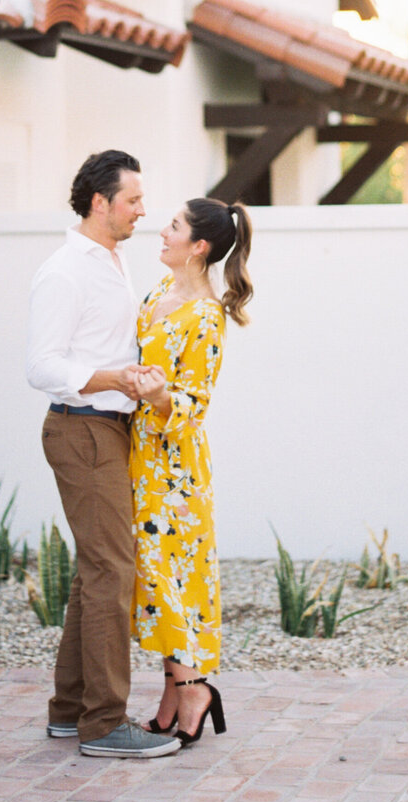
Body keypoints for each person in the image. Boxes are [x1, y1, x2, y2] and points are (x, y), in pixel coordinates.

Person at [25, 150, 182, 760]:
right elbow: (42, 366)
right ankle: (105, 724)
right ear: (100, 201)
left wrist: (129, 377)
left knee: (96, 574)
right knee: (114, 573)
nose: (143, 211)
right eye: (134, 200)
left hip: (107, 430)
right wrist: (113, 378)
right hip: (82, 430)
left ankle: (70, 713)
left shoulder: (110, 261)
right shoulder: (65, 270)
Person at [129, 196, 253, 747]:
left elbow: (193, 406)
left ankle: (196, 690)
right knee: (158, 585)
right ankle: (172, 696)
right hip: (140, 457)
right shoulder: (159, 292)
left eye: (174, 225)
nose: (163, 229)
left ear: (198, 246)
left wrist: (158, 395)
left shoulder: (205, 316)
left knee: (167, 582)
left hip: (174, 471)